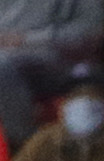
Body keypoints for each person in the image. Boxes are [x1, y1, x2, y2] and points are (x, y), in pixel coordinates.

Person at [0, 1, 98, 149]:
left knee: (2, 66)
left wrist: (26, 39)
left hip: (56, 60)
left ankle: (25, 148)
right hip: (8, 56)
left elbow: (89, 33)